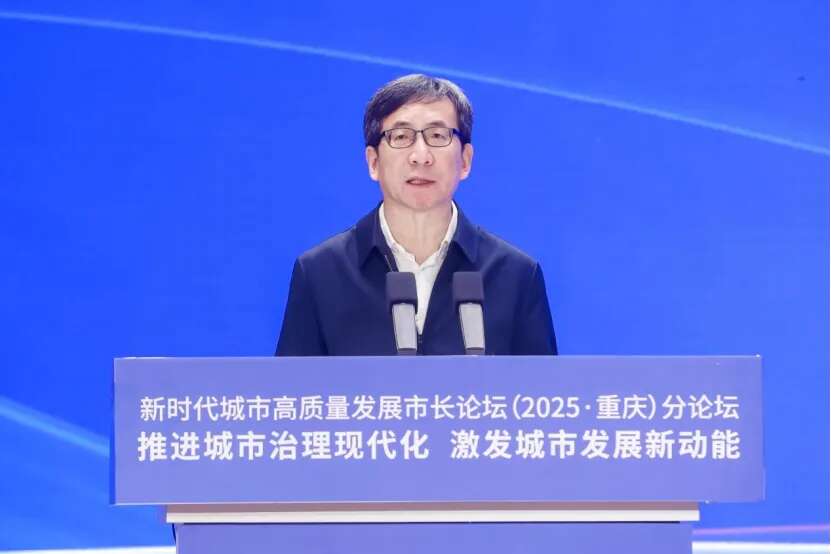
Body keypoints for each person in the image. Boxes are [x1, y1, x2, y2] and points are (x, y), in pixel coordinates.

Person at [276, 74, 556, 356]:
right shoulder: (322, 273)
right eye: (401, 137)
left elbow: (543, 385)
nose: (420, 156)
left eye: (437, 136)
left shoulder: (516, 275)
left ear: (465, 160)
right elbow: (291, 384)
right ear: (373, 162)